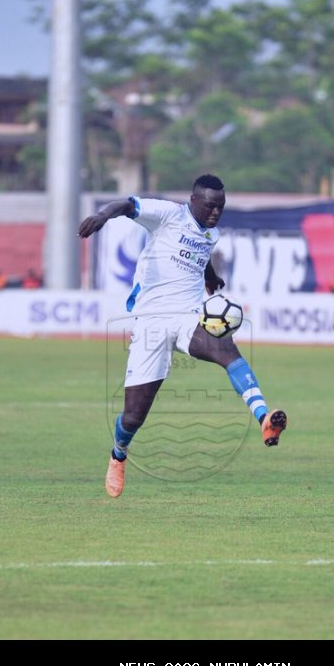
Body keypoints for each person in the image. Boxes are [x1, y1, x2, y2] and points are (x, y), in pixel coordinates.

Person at [78, 173, 288, 498]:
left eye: (221, 207)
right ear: (193, 201)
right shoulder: (167, 215)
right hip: (150, 320)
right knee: (134, 416)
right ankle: (118, 454)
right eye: (210, 206)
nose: (215, 213)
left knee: (226, 348)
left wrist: (211, 276)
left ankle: (264, 417)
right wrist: (103, 215)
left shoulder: (211, 233)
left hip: (188, 316)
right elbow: (127, 204)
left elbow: (198, 255)